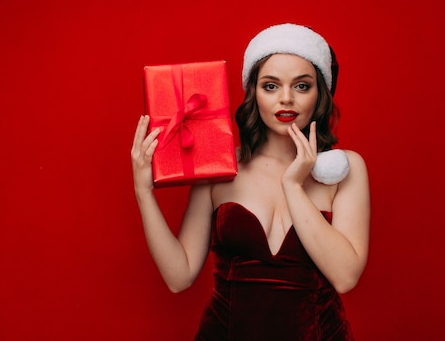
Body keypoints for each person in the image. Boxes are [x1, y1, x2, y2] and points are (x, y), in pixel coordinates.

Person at [131, 23, 370, 340]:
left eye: (301, 86)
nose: (286, 99)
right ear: (253, 92)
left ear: (321, 93)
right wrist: (143, 191)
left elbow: (345, 276)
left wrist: (294, 186)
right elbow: (179, 275)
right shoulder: (219, 165)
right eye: (271, 86)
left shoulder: (345, 169)